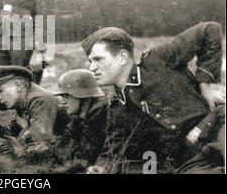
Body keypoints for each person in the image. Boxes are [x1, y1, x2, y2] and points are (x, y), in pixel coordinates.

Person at [80, 22, 225, 174]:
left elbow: (209, 29)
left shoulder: (156, 60)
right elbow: (112, 149)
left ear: (122, 57)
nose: (91, 68)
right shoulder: (117, 107)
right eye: (90, 61)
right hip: (193, 160)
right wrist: (100, 168)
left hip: (215, 129)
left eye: (98, 59)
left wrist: (205, 84)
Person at [0, 65, 60, 161]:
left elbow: (39, 144)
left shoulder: (38, 100)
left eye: (1, 91)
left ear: (18, 85)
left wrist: (25, 128)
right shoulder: (24, 99)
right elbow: (14, 130)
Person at [53, 69, 108, 172]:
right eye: (62, 96)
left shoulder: (101, 120)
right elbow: (61, 148)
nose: (63, 102)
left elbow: (83, 159)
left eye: (67, 96)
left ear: (83, 96)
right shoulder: (80, 118)